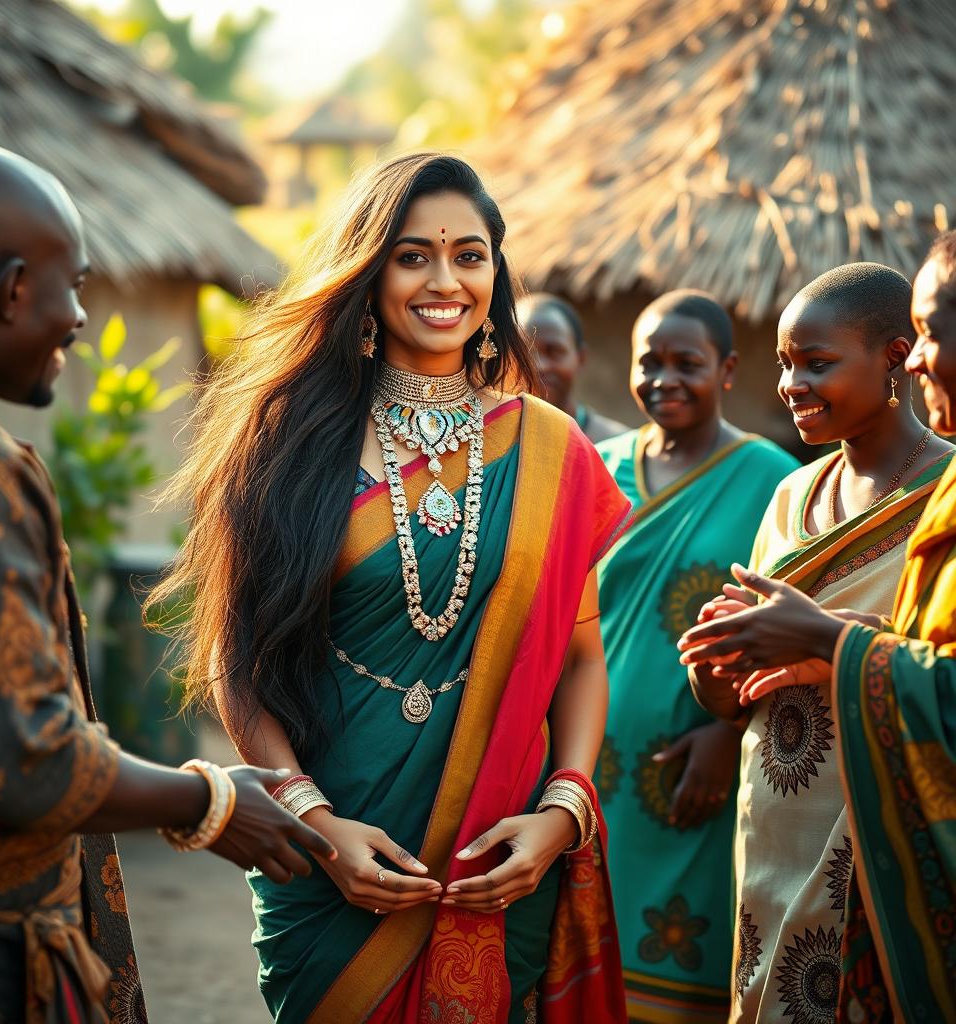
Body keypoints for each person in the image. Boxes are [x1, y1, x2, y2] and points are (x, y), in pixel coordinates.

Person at [148, 154, 631, 1023]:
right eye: (413, 256)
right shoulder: (289, 444)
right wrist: (317, 825)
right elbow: (236, 658)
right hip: (329, 859)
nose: (444, 281)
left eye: (469, 254)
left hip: (495, 860)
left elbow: (582, 657)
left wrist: (564, 811)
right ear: (369, 272)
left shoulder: (551, 451)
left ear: (497, 270)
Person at [0, 142, 336, 1024]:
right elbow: (21, 760)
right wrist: (211, 798)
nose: (79, 317)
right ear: (9, 290)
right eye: (69, 286)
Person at [679, 260, 954, 1023]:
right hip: (770, 820)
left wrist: (830, 639)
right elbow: (739, 689)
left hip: (871, 819)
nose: (792, 384)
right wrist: (714, 672)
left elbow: (936, 665)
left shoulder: (946, 494)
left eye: (819, 363)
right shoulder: (792, 495)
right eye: (785, 363)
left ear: (897, 359)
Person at [593, 289, 797, 1022]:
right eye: (650, 362)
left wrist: (727, 731)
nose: (664, 378)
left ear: (729, 369)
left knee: (681, 971)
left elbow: (786, 628)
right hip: (590, 765)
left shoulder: (773, 480)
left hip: (697, 773)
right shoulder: (595, 469)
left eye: (688, 363)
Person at [518, 292, 627, 443]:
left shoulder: (616, 446)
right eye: (524, 353)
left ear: (580, 358)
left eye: (553, 351)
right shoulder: (485, 441)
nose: (539, 366)